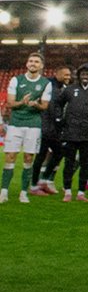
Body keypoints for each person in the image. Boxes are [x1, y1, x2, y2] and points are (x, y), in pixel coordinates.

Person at [50, 62, 88, 202]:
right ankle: (68, 191)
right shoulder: (70, 89)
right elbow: (58, 103)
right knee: (69, 163)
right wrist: (58, 118)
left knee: (85, 163)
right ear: (79, 75)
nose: (85, 76)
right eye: (83, 74)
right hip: (70, 132)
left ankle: (81, 192)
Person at [1, 51, 52, 204]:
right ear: (26, 64)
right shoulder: (16, 80)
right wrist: (22, 102)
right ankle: (4, 192)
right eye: (30, 61)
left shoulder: (46, 83)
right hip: (16, 124)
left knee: (28, 158)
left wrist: (36, 104)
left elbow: (44, 106)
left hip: (33, 125)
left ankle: (24, 192)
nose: (33, 64)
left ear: (41, 66)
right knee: (10, 157)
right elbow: (10, 103)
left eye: (36, 62)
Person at [30, 62, 71, 193]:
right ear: (57, 74)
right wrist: (60, 121)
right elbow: (52, 108)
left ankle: (42, 181)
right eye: (65, 74)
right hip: (46, 127)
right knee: (42, 155)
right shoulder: (50, 86)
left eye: (69, 74)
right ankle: (34, 185)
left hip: (53, 128)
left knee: (58, 152)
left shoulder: (61, 87)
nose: (68, 77)